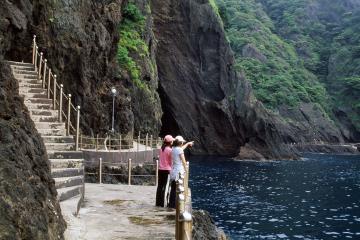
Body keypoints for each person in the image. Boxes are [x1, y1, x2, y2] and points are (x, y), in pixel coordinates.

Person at [168, 136, 194, 208]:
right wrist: (186, 170)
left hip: (173, 170)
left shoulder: (173, 149)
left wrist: (188, 143)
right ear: (180, 142)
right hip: (179, 170)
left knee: (173, 188)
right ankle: (175, 205)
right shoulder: (179, 150)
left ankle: (171, 204)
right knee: (178, 188)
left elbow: (181, 148)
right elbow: (183, 161)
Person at [155, 135, 175, 207]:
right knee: (164, 186)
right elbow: (171, 161)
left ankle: (158, 203)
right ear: (170, 142)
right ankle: (162, 204)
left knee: (159, 186)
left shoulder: (161, 149)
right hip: (167, 170)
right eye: (172, 140)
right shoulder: (170, 150)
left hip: (160, 169)